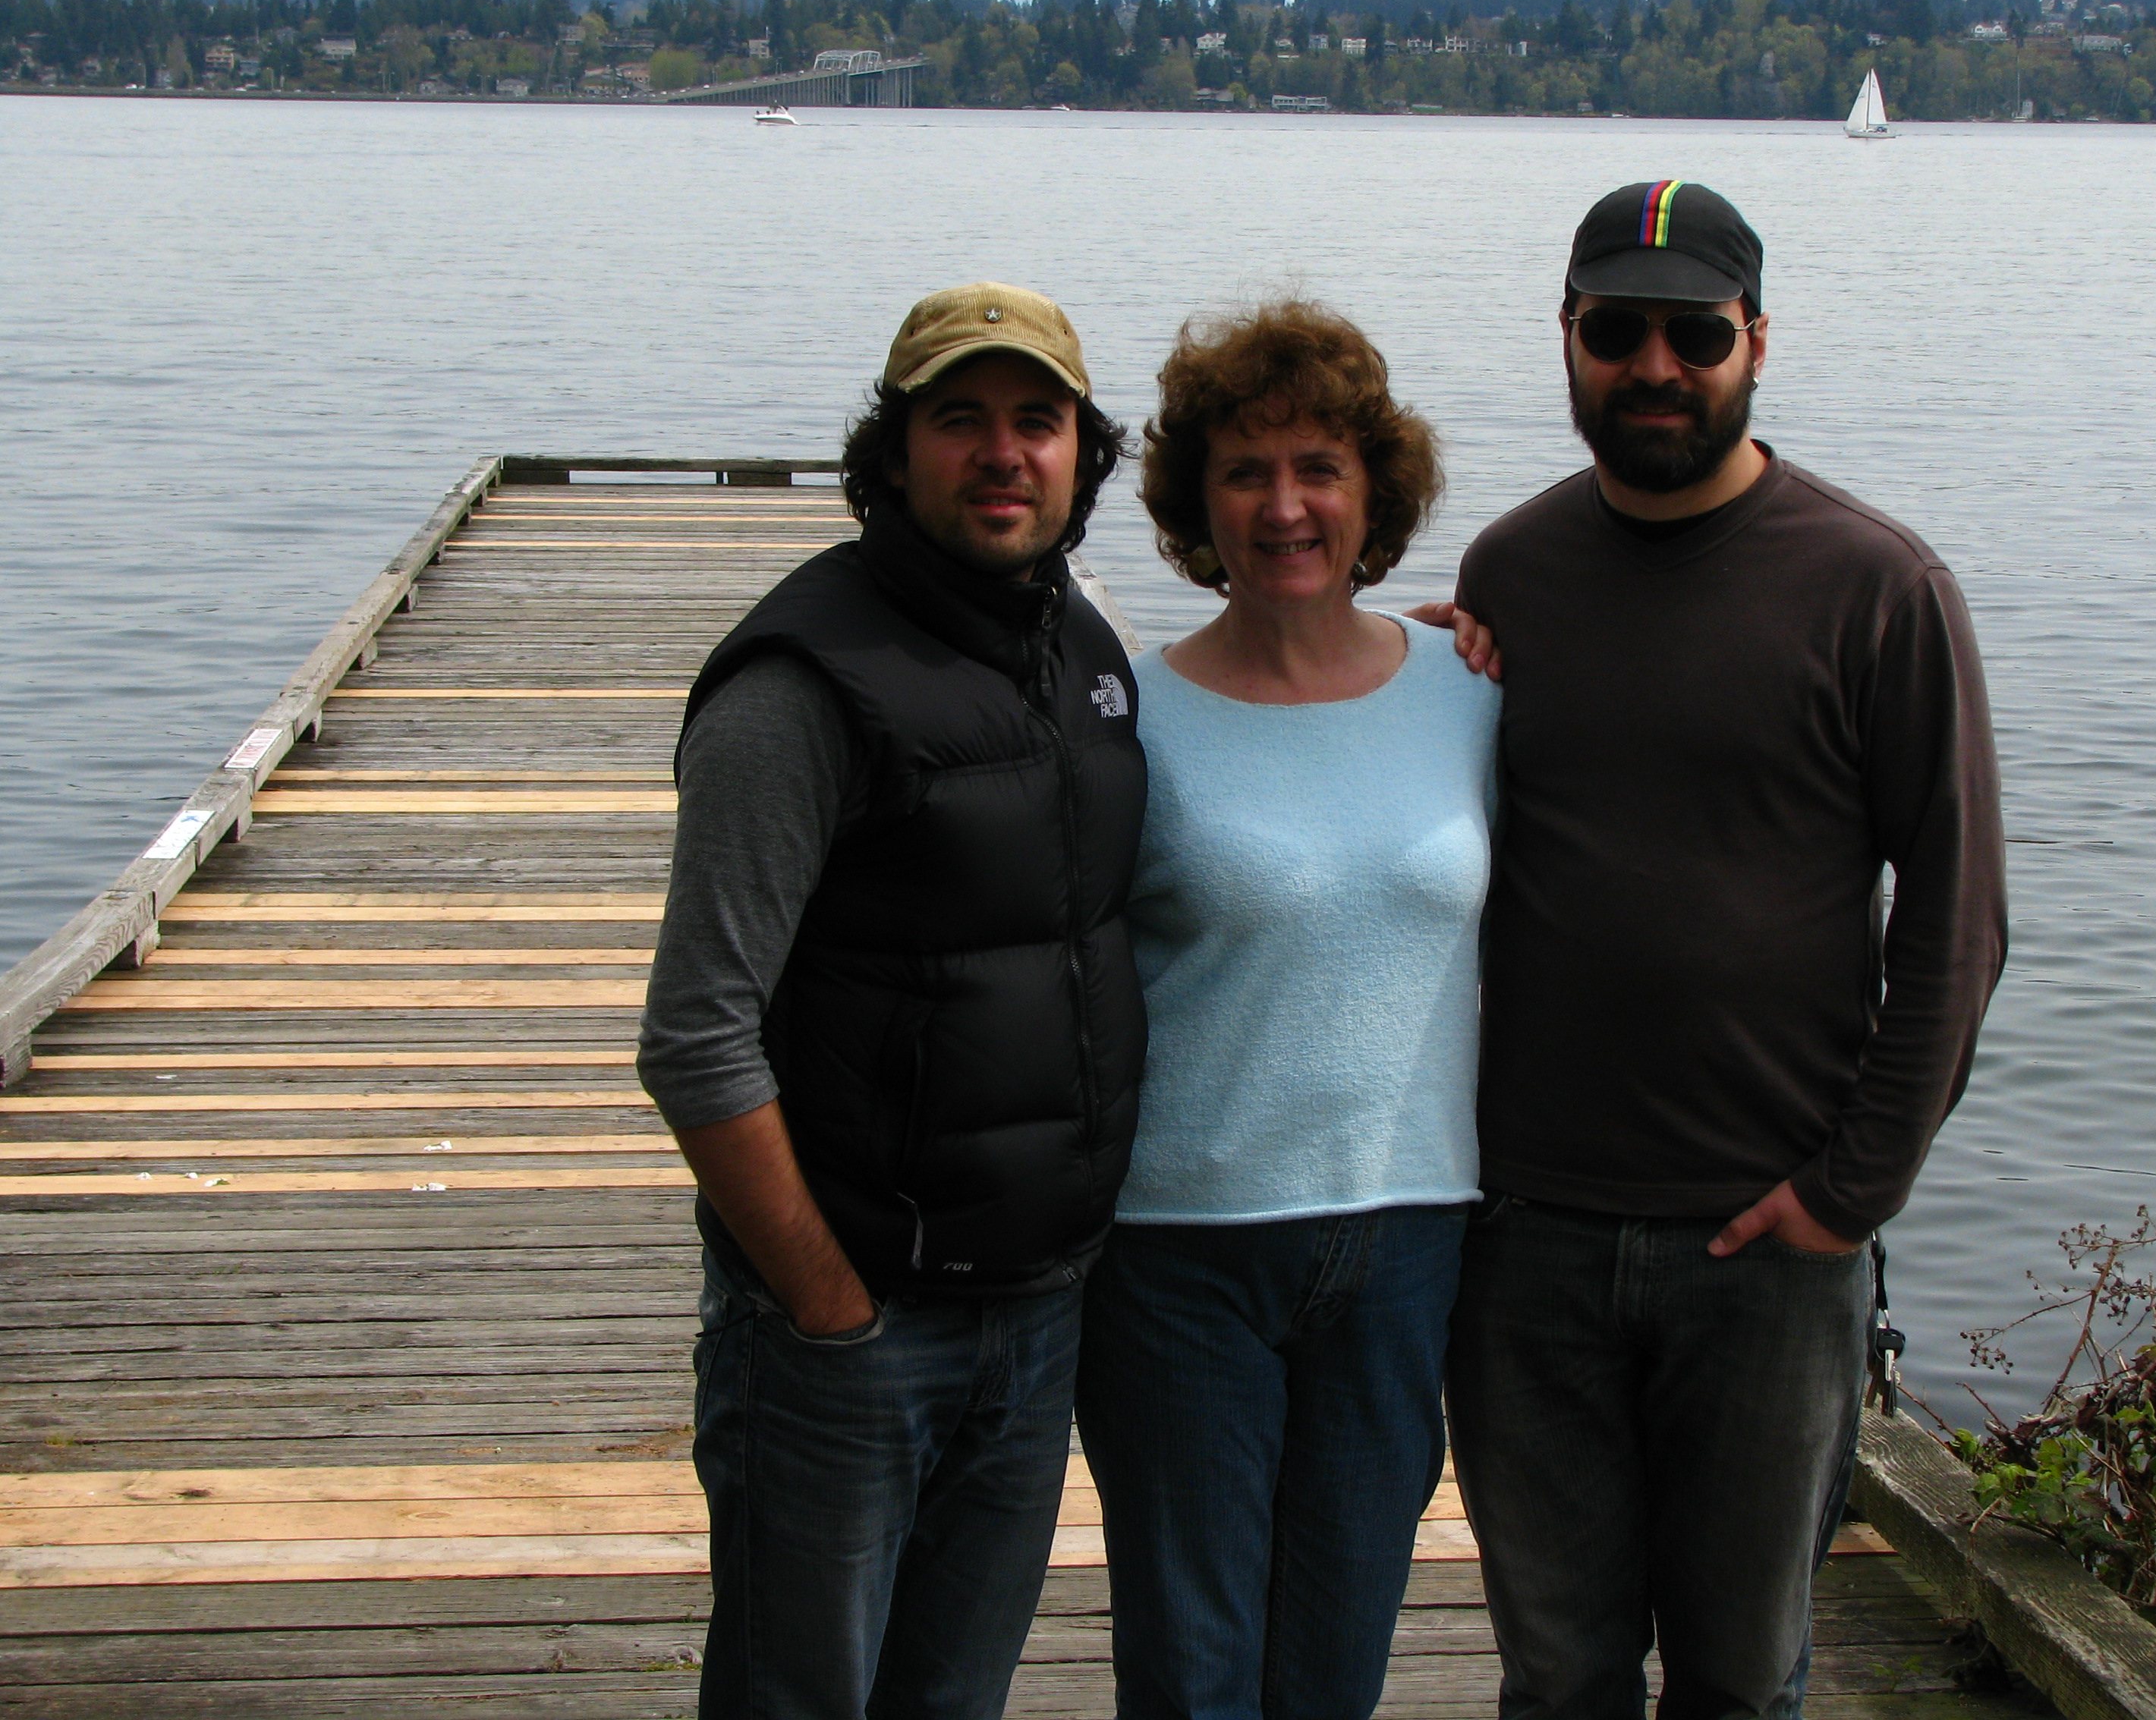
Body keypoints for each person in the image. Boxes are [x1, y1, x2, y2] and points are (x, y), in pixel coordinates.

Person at [1431, 181, 2008, 1720]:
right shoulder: (1509, 571)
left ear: (1758, 340)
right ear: (1566, 336)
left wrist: (1849, 1193)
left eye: (1695, 334)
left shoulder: (1879, 588)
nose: (1655, 366)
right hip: (1525, 1238)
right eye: (1617, 330)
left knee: (1743, 1685)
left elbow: (1958, 921)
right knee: (1558, 1678)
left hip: (1766, 1255)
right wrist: (1390, 663)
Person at [636, 282, 1149, 1720]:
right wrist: (825, 1304)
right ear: (894, 450)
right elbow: (694, 1037)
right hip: (851, 1333)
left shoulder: (1081, 645)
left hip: (1036, 1314)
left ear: (1082, 451)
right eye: (960, 420)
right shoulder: (801, 687)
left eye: (1037, 420)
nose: (1004, 454)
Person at [1075, 299, 1500, 1720]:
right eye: (1244, 472)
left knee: (1335, 1666)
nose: (1284, 506)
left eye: (1319, 467)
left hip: (1409, 1243)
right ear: (1197, 506)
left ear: (1375, 494)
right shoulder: (1132, 718)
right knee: (1193, 1673)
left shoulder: (1471, 693)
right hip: (1179, 1251)